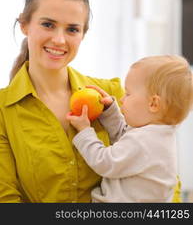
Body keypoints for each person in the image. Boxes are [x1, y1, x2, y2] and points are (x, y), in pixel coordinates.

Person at [0, 0, 181, 202]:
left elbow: (163, 174)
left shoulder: (113, 96)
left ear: (83, 34)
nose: (60, 40)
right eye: (48, 24)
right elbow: (2, 201)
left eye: (72, 29)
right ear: (24, 25)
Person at [66, 55, 193, 202]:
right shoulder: (157, 134)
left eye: (128, 94)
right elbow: (124, 137)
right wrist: (110, 111)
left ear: (153, 104)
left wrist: (84, 131)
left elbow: (104, 162)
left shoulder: (143, 141)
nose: (121, 99)